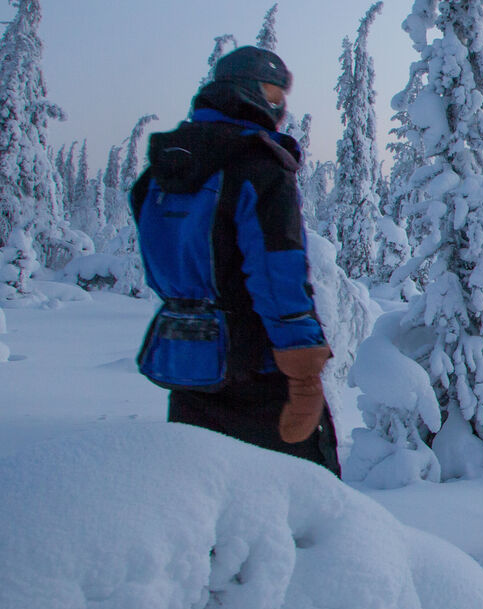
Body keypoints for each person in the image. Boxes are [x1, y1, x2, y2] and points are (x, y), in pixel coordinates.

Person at [132, 45, 337, 473]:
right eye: (273, 94)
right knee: (302, 495)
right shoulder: (259, 167)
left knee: (200, 493)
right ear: (248, 92)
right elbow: (277, 272)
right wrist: (302, 369)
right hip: (259, 365)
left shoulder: (159, 172)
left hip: (189, 363)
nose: (279, 106)